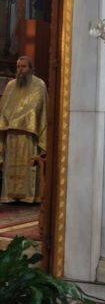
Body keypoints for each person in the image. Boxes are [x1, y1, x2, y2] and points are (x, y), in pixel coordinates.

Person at [0, 56, 47, 204]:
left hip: (29, 134)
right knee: (11, 167)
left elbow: (38, 109)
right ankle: (10, 195)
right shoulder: (10, 86)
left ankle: (28, 196)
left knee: (28, 165)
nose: (20, 70)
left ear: (31, 68)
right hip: (11, 132)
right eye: (18, 66)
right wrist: (10, 122)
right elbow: (4, 108)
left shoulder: (39, 85)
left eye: (23, 66)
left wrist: (19, 118)